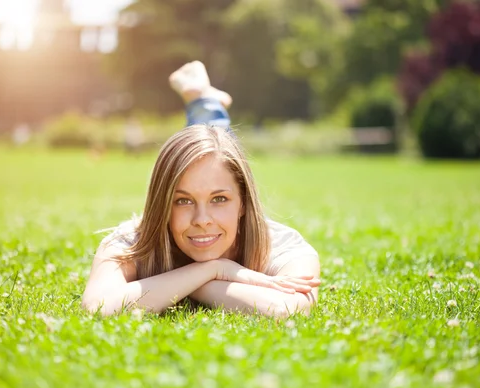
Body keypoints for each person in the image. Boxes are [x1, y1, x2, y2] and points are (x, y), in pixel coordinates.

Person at [81, 61, 320, 318]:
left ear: (243, 203)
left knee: (213, 155)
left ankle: (204, 102)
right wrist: (212, 270)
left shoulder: (282, 245)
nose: (202, 220)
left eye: (220, 199)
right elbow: (98, 308)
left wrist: (188, 282)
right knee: (205, 158)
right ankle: (205, 102)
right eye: (182, 201)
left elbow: (291, 309)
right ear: (161, 204)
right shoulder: (133, 242)